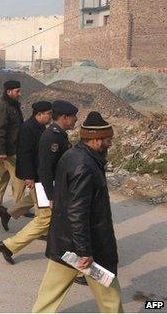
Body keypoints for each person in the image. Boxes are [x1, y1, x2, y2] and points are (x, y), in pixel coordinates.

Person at [33, 112, 122, 313]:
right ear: (96, 139)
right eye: (108, 140)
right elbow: (77, 212)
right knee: (110, 298)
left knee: (48, 297)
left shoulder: (74, 155)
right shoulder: (85, 165)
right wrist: (85, 252)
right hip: (86, 250)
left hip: (65, 245)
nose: (110, 144)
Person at [0, 100, 77, 265]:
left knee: (46, 216)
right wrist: (50, 195)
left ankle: (9, 216)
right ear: (64, 118)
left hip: (46, 185)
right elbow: (44, 169)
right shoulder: (52, 137)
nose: (76, 119)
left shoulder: (57, 133)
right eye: (73, 117)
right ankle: (8, 246)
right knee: (45, 219)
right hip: (43, 185)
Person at [0, 101, 52, 232]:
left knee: (35, 197)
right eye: (49, 114)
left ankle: (8, 213)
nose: (51, 116)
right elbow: (24, 154)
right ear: (39, 114)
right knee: (42, 204)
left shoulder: (40, 126)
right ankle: (41, 230)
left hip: (38, 171)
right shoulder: (28, 128)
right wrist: (29, 176)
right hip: (32, 172)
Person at [0, 80, 27, 212]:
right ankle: (19, 207)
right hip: (9, 149)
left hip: (11, 147)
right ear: (8, 91)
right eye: (17, 91)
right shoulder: (3, 107)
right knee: (19, 178)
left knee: (2, 176)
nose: (19, 94)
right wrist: (1, 151)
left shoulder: (12, 105)